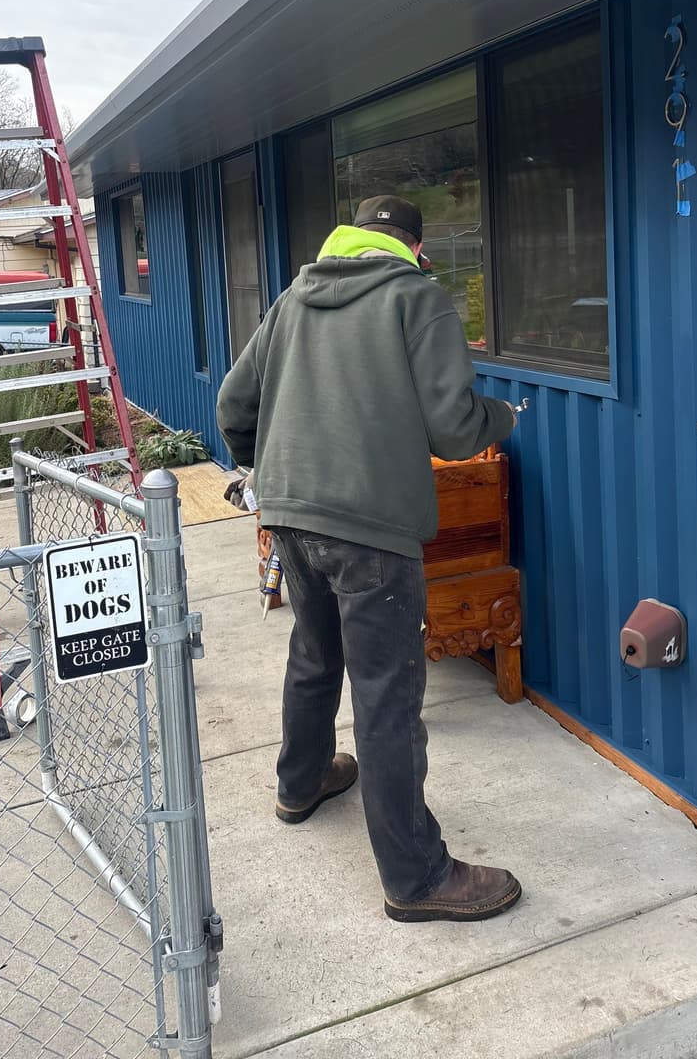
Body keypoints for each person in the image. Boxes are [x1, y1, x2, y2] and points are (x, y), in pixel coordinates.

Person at [216, 195, 521, 923]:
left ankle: (302, 781)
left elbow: (234, 402)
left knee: (314, 654)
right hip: (370, 528)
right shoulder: (420, 300)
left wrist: (273, 471)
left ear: (348, 239)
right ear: (414, 248)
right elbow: (453, 432)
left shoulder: (295, 298)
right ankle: (416, 878)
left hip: (288, 514)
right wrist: (502, 416)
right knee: (386, 695)